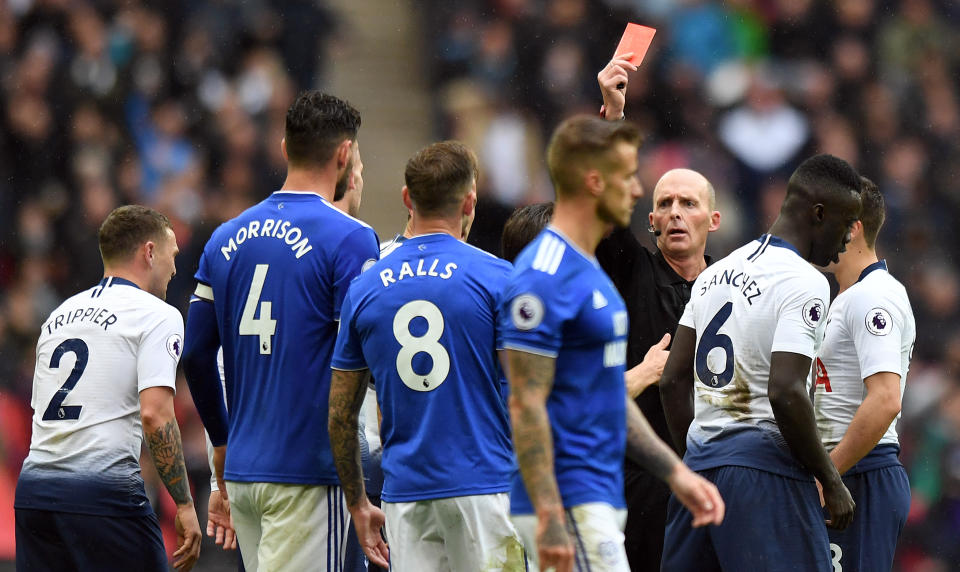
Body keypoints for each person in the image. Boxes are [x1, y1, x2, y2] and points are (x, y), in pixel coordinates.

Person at [499, 115, 725, 572]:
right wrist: (549, 512)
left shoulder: (596, 284)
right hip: (578, 493)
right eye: (630, 180)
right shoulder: (549, 278)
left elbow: (603, 395)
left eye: (688, 202)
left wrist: (677, 472)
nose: (640, 193)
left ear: (714, 220)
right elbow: (526, 404)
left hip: (614, 487)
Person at [181, 91, 379, 572]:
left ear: (285, 147)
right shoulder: (351, 237)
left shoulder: (225, 237)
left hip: (246, 475)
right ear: (345, 153)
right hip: (309, 473)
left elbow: (196, 354)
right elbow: (360, 360)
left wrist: (223, 442)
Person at [329, 141, 525, 571]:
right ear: (470, 201)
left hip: (407, 495)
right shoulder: (499, 278)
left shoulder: (364, 287)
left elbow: (341, 415)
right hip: (485, 486)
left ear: (407, 199)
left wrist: (359, 503)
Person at [659, 153, 861, 570]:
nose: (845, 242)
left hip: (698, 470)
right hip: (762, 475)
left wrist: (699, 460)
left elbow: (672, 380)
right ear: (819, 214)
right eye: (845, 225)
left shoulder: (715, 274)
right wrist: (831, 479)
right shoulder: (805, 282)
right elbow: (785, 391)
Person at [15, 205, 202, 571]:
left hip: (35, 490)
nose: (176, 268)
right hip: (102, 496)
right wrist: (183, 503)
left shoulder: (58, 316)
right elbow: (155, 414)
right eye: (172, 254)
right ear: (149, 252)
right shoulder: (157, 315)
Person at [596, 55, 723, 571]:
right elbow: (601, 206)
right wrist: (611, 117)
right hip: (644, 476)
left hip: (715, 470)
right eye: (665, 203)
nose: (675, 212)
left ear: (713, 219)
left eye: (688, 204)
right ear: (649, 220)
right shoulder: (632, 272)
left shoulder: (734, 287)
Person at [814, 177, 914, 571]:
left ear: (853, 226)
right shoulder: (840, 296)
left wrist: (828, 475)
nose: (814, 228)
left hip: (860, 474)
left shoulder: (875, 297)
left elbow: (886, 399)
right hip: (840, 470)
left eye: (823, 218)